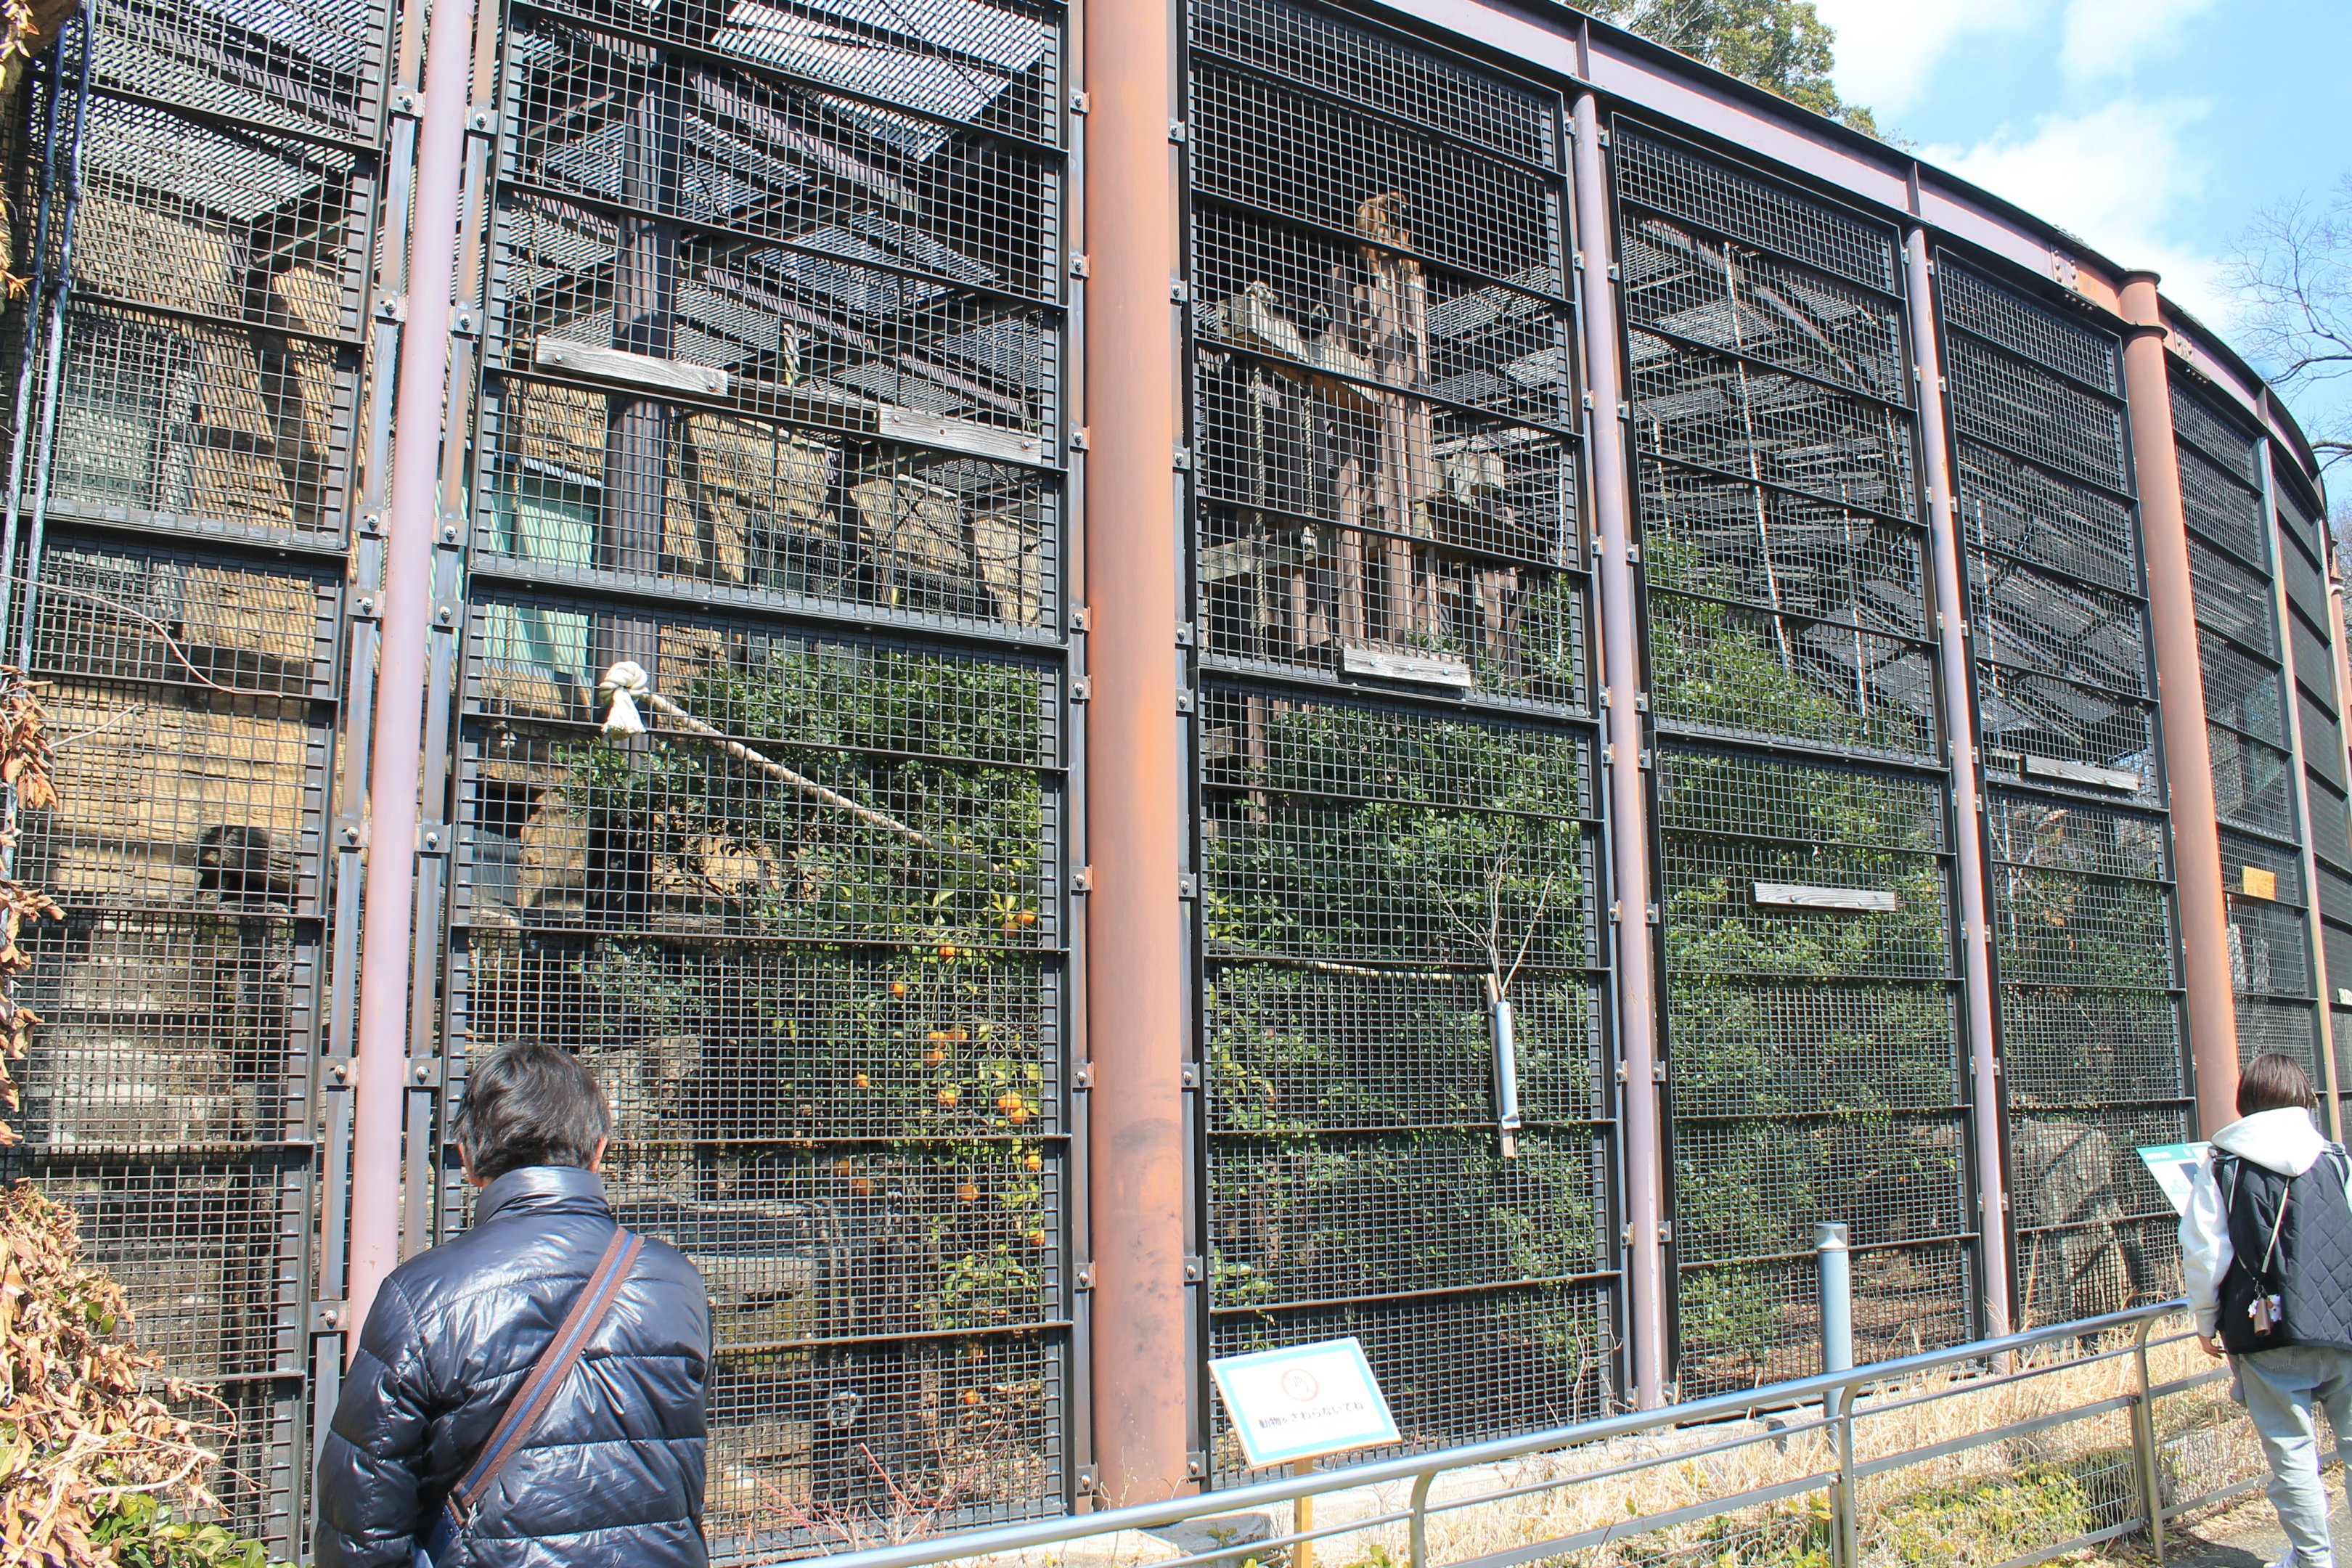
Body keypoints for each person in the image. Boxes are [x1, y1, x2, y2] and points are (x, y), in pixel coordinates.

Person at [314, 1038, 711, 1567]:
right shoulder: (675, 1282)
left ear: (469, 1159)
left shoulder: (422, 1295)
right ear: (599, 1149)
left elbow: (362, 1522)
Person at [2181, 1052, 2352, 1568]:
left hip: (2265, 1331)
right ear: (2305, 1099)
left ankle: (2312, 1560)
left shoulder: (2224, 1165)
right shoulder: (2338, 1159)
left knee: (2293, 1457)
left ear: (2247, 1102)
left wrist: (2206, 1321)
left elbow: (2205, 1252)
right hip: (2344, 1327)